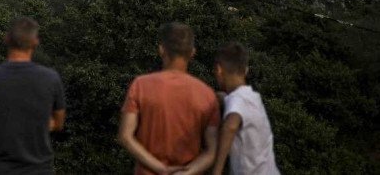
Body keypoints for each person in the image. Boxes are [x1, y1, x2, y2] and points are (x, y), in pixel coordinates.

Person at [118, 22, 219, 175]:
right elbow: (211, 151)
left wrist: (160, 168)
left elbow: (125, 136)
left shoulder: (140, 85)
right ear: (192, 52)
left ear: (161, 50)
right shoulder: (207, 94)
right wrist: (187, 172)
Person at [0, 17, 66, 175]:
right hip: (39, 169)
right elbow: (58, 123)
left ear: (6, 39)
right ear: (35, 42)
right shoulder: (51, 78)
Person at [211, 42, 279, 175]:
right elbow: (229, 100)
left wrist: (217, 171)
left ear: (219, 70)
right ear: (246, 70)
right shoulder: (252, 97)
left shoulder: (237, 101)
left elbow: (230, 126)